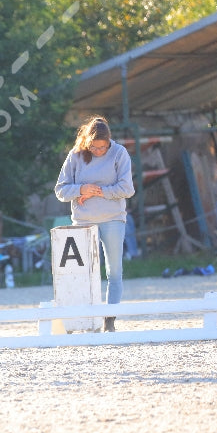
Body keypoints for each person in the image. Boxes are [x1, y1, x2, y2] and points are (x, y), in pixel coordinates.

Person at [54, 116, 135, 332]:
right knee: (82, 273)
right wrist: (81, 189)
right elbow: (60, 190)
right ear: (87, 141)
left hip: (113, 219)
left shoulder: (119, 153)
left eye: (103, 147)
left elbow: (127, 189)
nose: (100, 151)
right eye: (95, 147)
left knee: (114, 272)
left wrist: (100, 191)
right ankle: (83, 320)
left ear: (109, 141)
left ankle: (110, 319)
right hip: (83, 222)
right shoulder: (76, 155)